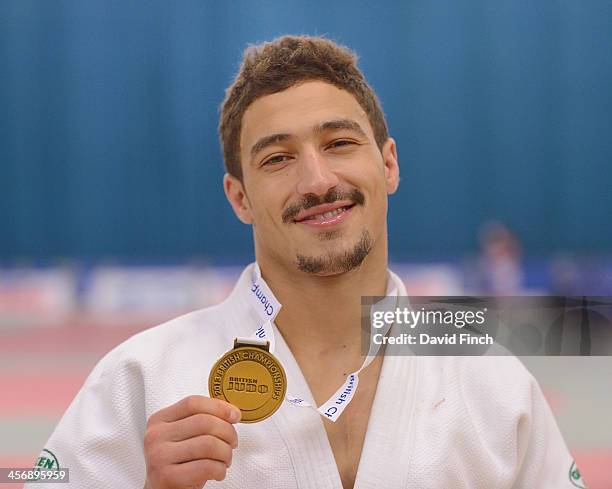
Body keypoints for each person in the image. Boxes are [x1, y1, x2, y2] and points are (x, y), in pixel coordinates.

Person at [26, 35, 586, 489]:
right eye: (277, 158)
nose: (318, 182)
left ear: (388, 164)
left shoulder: (492, 377)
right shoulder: (143, 377)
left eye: (340, 143)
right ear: (239, 197)